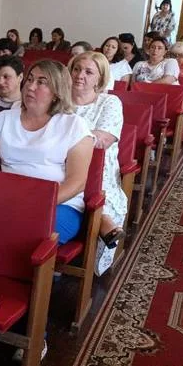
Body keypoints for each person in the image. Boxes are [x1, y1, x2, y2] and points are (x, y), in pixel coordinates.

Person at [0, 60, 93, 244]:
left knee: (21, 233)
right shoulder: (2, 119)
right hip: (9, 199)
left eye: (41, 82)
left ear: (57, 92)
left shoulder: (74, 125)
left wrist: (36, 204)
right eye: (30, 79)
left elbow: (77, 182)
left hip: (58, 205)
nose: (31, 86)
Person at [68, 52, 128, 275]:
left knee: (90, 193)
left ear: (100, 78)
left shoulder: (110, 102)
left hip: (97, 169)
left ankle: (102, 220)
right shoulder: (59, 100)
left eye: (88, 72)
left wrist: (59, 137)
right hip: (58, 164)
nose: (79, 75)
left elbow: (103, 140)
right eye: (76, 69)